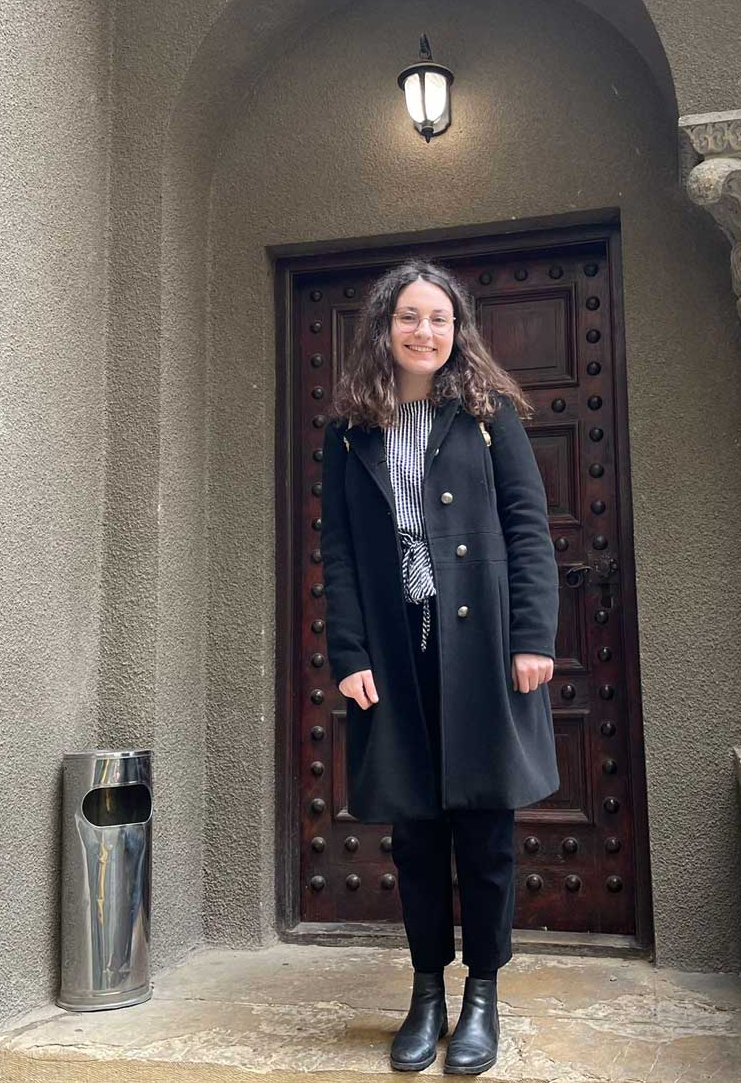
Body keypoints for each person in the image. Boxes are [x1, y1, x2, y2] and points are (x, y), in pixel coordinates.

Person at [319, 259, 560, 1074]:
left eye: (441, 318)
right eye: (411, 317)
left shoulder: (489, 416)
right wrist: (347, 651)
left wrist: (533, 637)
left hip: (485, 644)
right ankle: (426, 991)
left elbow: (529, 529)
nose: (426, 331)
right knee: (415, 833)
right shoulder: (349, 430)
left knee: (488, 829)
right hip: (395, 648)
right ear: (385, 326)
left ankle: (481, 994)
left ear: (458, 331)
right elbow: (341, 550)